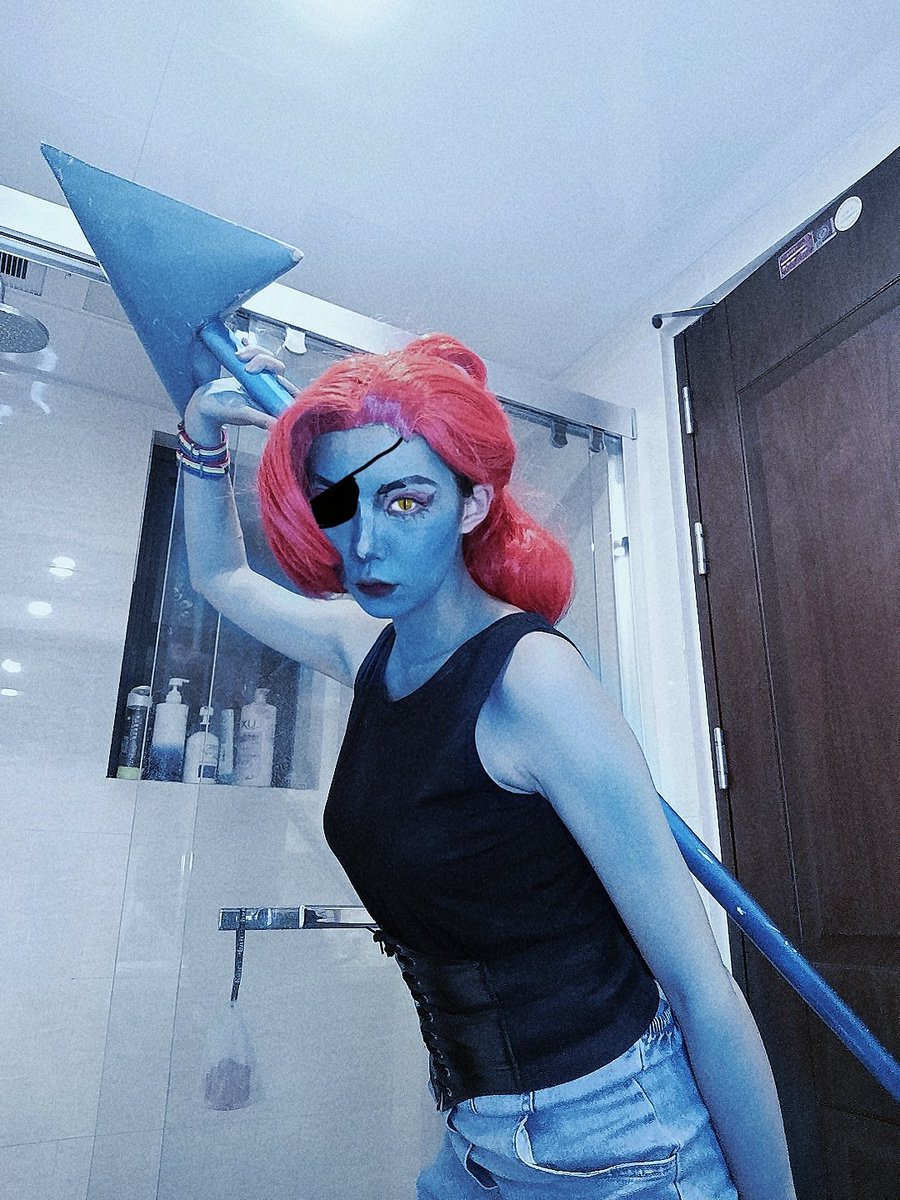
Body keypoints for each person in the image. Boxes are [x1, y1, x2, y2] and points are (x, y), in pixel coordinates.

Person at [179, 332, 797, 1199]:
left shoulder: (533, 681)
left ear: (471, 504)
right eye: (342, 503)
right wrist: (201, 437)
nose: (365, 545)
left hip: (620, 1139)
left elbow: (702, 989)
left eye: (406, 500)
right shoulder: (367, 646)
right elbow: (220, 578)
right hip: (478, 1131)